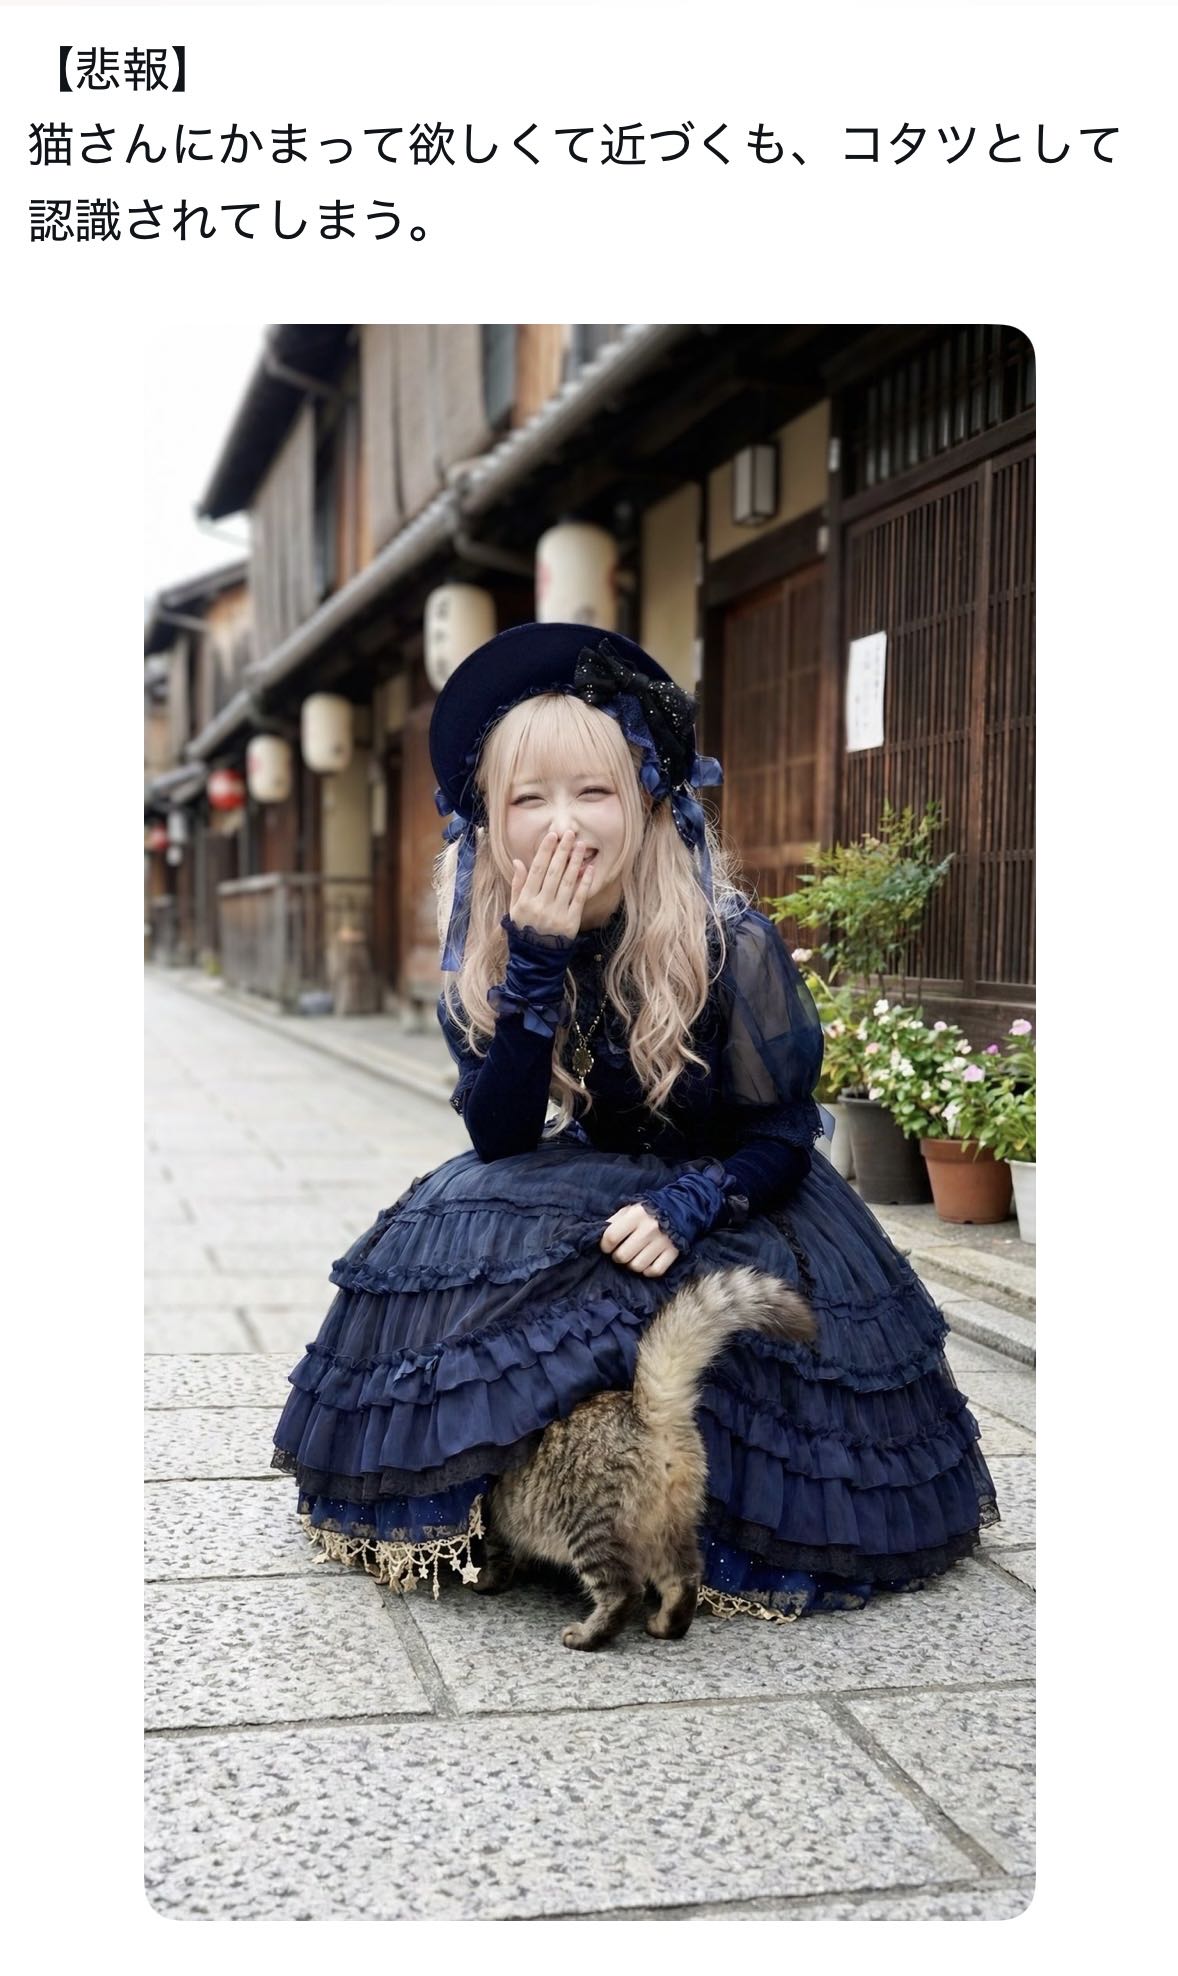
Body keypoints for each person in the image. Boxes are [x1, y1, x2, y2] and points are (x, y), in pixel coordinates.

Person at [272, 623, 998, 1620]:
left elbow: (784, 1135)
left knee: (671, 1307)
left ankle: (665, 1526)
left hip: (736, 1192)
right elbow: (499, 1138)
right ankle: (512, 1504)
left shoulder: (727, 943)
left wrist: (689, 1203)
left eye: (592, 791)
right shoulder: (488, 946)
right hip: (587, 1169)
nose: (561, 823)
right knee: (456, 1222)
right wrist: (535, 958)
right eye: (528, 798)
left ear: (649, 800)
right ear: (488, 821)